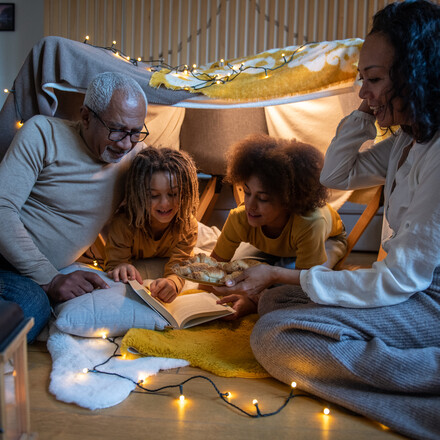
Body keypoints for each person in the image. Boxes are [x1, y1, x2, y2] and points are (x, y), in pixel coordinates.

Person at [218, 2, 440, 439]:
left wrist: (283, 276)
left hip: (429, 301)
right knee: (272, 304)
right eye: (363, 79)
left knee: (274, 338)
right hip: (406, 288)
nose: (364, 91)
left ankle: (428, 377)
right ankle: (384, 356)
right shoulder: (406, 143)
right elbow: (335, 174)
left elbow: (397, 281)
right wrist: (367, 112)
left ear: (418, 75)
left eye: (373, 79)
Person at [0, 72, 148, 342]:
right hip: (4, 260)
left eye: (135, 132)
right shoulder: (42, 133)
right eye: (116, 130)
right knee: (31, 306)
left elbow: (170, 191)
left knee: (28, 310)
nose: (126, 144)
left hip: (32, 274)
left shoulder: (136, 157)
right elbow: (1, 208)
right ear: (86, 116)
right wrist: (50, 278)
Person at [212, 134, 347, 318]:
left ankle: (253, 303)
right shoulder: (240, 218)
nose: (250, 205)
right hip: (278, 245)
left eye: (263, 198)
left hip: (327, 240)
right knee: (237, 272)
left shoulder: (311, 223)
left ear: (288, 200)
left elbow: (307, 279)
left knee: (298, 289)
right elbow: (214, 266)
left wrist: (268, 281)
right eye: (247, 192)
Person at [104, 146, 199, 303]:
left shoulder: (187, 225)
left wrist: (172, 283)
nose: (165, 203)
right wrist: (121, 266)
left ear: (185, 192)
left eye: (173, 194)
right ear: (139, 194)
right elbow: (114, 262)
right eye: (153, 195)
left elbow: (180, 265)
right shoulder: (124, 224)